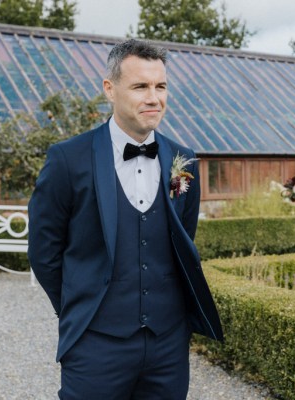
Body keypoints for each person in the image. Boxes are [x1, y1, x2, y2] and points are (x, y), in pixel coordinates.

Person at [28, 39, 223, 399]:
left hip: (168, 346)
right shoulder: (67, 160)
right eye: (140, 86)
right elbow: (44, 253)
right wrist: (82, 311)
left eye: (160, 86)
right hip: (95, 344)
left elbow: (183, 237)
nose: (154, 98)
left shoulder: (185, 161)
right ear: (110, 89)